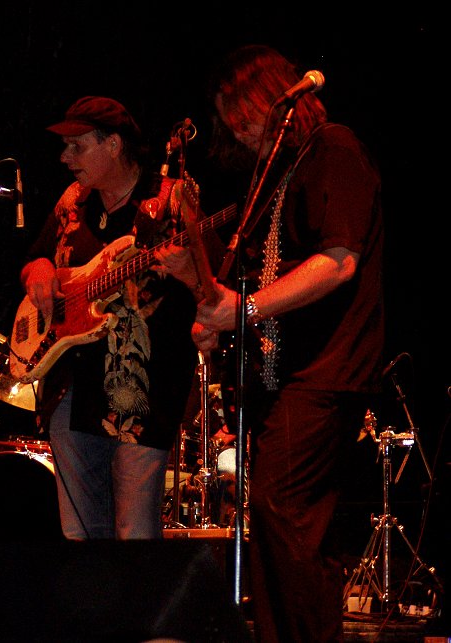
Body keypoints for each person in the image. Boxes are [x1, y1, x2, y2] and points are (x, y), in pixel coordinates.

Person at [155, 44, 384, 642]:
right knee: (290, 537)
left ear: (275, 96)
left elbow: (338, 262)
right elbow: (251, 283)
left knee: (285, 522)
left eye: (243, 108)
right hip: (285, 378)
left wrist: (244, 308)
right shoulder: (277, 176)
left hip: (323, 373)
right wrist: (212, 298)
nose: (236, 124)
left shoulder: (333, 148)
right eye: (226, 116)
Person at [18, 95, 208, 540]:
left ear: (115, 145)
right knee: (81, 534)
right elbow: (34, 260)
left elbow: (213, 285)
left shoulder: (168, 202)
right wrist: (40, 270)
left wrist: (190, 272)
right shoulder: (73, 202)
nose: (65, 157)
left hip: (141, 387)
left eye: (76, 146)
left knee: (134, 535)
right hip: (71, 385)